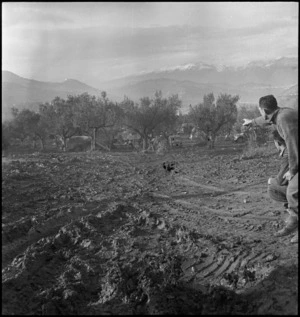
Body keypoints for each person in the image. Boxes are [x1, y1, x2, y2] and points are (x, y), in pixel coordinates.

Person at [243, 95, 298, 243]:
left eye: (260, 110)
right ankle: (294, 220)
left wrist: (292, 172)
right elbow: (265, 119)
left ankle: (295, 223)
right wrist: (252, 122)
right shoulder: (281, 113)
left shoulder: (283, 119)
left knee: (292, 190)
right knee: (281, 187)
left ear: (264, 110)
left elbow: (293, 147)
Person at [267, 129, 289, 211]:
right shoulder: (291, 150)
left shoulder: (287, 154)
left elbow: (280, 181)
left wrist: (270, 180)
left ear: (278, 142)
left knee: (272, 187)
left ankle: (293, 208)